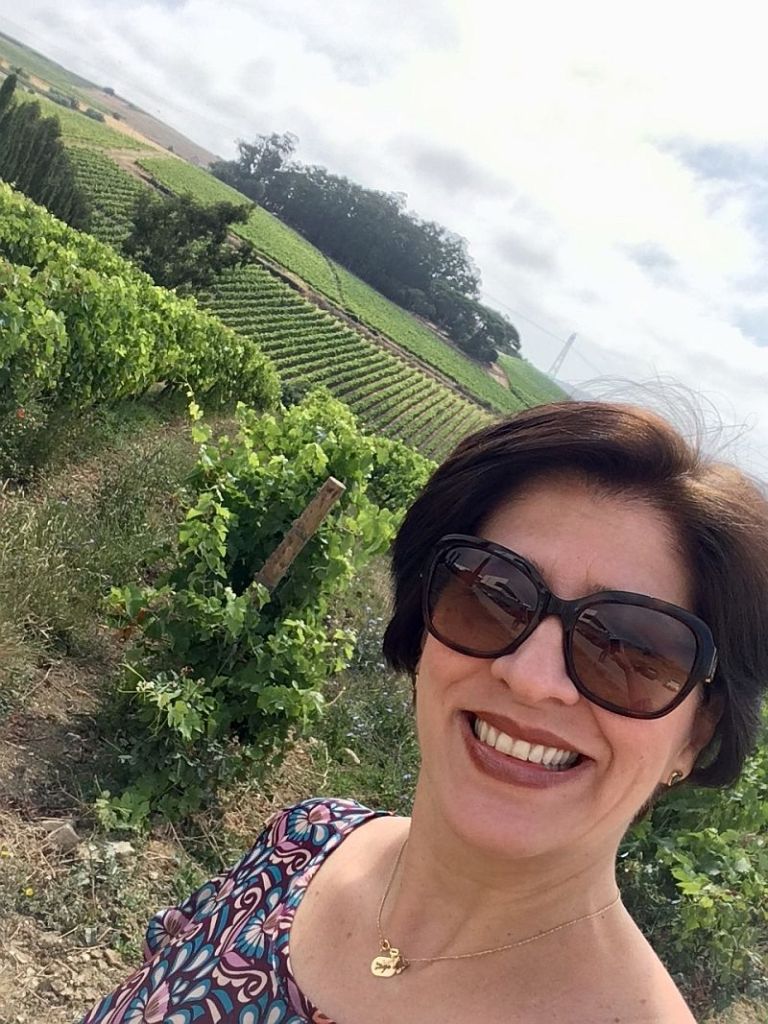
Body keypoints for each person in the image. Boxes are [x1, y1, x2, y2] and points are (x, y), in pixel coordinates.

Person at [81, 401, 768, 1024]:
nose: (531, 678)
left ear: (697, 733)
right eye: (492, 594)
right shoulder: (300, 845)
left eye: (633, 649)